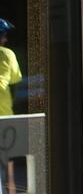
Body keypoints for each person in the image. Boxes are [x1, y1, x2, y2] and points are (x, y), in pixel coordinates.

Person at [0, 18, 20, 194]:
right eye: (3, 35)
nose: (5, 39)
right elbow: (15, 80)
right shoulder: (7, 55)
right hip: (5, 117)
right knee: (9, 170)